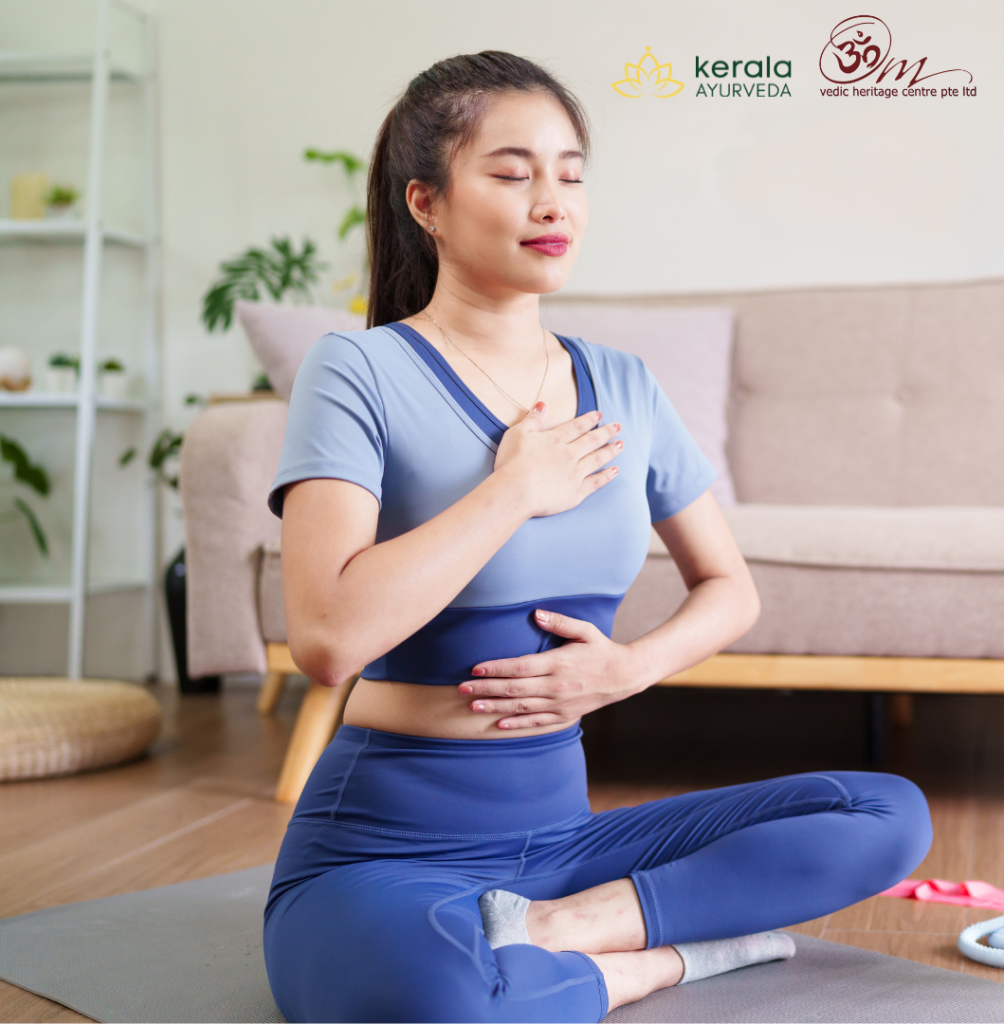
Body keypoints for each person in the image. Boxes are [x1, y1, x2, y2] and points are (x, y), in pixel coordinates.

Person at [262, 50, 932, 1024]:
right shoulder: (357, 371)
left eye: (570, 174)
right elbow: (325, 639)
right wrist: (512, 490)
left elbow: (728, 589)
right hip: (382, 849)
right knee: (439, 997)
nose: (551, 200)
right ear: (426, 203)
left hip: (563, 851)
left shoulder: (623, 384)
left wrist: (627, 669)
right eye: (510, 171)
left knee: (887, 813)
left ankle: (566, 932)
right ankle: (650, 963)